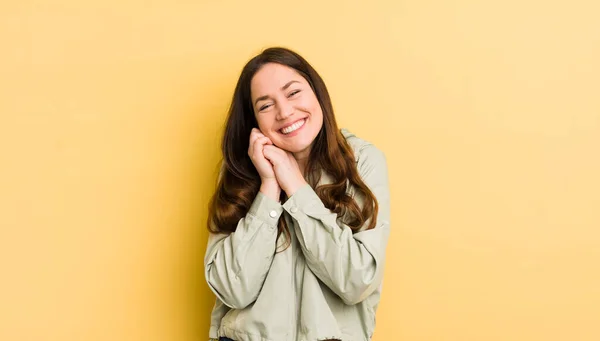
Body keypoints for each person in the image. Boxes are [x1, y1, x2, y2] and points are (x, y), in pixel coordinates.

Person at [204, 47, 391, 341]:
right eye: (265, 106)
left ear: (318, 93)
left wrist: (295, 187)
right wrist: (268, 187)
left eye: (293, 93)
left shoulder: (363, 163)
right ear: (254, 120)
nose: (285, 112)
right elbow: (232, 289)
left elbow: (356, 281)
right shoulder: (239, 170)